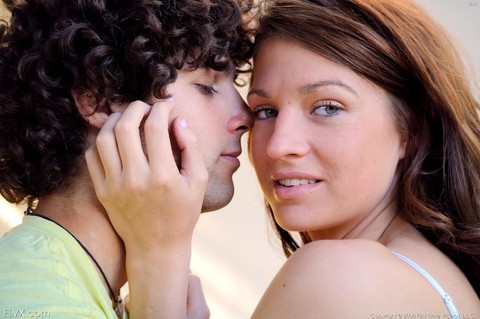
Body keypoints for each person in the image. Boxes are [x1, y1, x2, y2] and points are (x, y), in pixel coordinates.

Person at [88, 0, 480, 317]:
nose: (277, 146)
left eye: (327, 107)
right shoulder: (428, 276)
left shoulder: (343, 276)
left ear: (412, 130)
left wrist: (159, 255)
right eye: (266, 111)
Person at [0, 0, 254, 317]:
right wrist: (163, 257)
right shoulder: (39, 304)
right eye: (206, 86)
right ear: (102, 102)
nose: (246, 116)